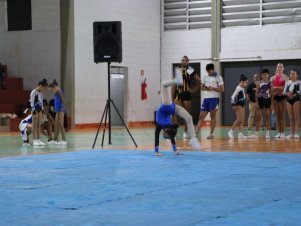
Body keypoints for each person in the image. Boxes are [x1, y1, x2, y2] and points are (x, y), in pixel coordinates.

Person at [155, 73, 201, 156]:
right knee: (189, 118)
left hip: (167, 108)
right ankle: (193, 138)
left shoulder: (166, 126)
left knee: (189, 118)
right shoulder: (168, 127)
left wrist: (157, 152)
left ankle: (176, 81)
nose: (164, 135)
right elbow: (160, 137)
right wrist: (174, 151)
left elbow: (159, 138)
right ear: (166, 131)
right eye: (166, 135)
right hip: (169, 107)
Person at [172, 56, 199, 139]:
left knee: (186, 114)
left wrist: (193, 90)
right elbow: (174, 83)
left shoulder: (191, 70)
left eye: (186, 60)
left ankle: (185, 132)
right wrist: (172, 96)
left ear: (188, 62)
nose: (184, 61)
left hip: (187, 94)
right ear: (181, 61)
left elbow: (199, 81)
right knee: (174, 113)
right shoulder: (177, 71)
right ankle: (173, 131)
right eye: (183, 60)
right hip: (178, 94)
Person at [195, 63, 224, 139]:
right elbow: (201, 88)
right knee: (201, 117)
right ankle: (195, 134)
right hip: (206, 99)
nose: (209, 73)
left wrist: (213, 88)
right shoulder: (205, 76)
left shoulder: (218, 77)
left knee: (212, 116)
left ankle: (211, 134)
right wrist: (205, 88)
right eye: (208, 71)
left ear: (213, 69)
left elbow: (222, 89)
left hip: (214, 99)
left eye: (210, 71)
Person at [249, 69, 272, 139]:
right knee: (258, 117)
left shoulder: (271, 83)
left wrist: (272, 103)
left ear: (268, 75)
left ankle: (267, 133)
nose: (264, 76)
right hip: (260, 100)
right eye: (263, 75)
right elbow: (256, 94)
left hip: (268, 100)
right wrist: (256, 103)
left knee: (268, 117)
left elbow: (272, 94)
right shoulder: (259, 83)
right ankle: (256, 133)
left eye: (265, 74)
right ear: (261, 76)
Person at [270, 63, 289, 138]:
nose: (279, 68)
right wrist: (278, 88)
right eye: (278, 67)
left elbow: (284, 88)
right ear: (276, 68)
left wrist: (276, 88)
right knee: (277, 116)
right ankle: (279, 132)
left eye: (281, 67)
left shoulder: (286, 77)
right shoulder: (272, 78)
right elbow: (271, 89)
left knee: (282, 116)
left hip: (282, 97)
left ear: (283, 68)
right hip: (275, 98)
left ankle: (283, 132)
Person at [228, 74, 249, 139]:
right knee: (239, 119)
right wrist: (233, 104)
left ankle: (240, 134)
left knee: (242, 120)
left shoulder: (242, 88)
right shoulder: (238, 88)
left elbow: (243, 96)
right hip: (239, 105)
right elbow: (232, 96)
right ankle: (231, 131)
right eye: (246, 82)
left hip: (243, 104)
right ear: (242, 82)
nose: (246, 84)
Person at [30, 78, 48, 146]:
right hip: (34, 109)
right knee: (34, 125)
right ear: (40, 85)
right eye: (44, 88)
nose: (44, 89)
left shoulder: (41, 93)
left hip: (40, 109)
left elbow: (41, 102)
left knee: (38, 125)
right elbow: (31, 102)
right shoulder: (33, 92)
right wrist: (33, 110)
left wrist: (42, 110)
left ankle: (38, 140)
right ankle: (34, 140)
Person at [48, 79, 67, 144]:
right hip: (58, 110)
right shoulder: (56, 92)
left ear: (54, 87)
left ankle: (64, 140)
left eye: (52, 89)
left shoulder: (59, 91)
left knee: (60, 124)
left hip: (61, 110)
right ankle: (55, 140)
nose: (51, 91)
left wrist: (61, 110)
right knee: (56, 125)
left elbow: (63, 101)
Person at [283, 69, 300, 138]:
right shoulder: (288, 82)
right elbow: (284, 92)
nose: (291, 75)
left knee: (296, 118)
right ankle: (291, 133)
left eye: (293, 74)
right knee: (291, 118)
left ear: (297, 75)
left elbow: (300, 91)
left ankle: (296, 133)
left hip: (296, 100)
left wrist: (293, 93)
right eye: (290, 74)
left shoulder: (299, 82)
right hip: (288, 100)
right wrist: (287, 94)